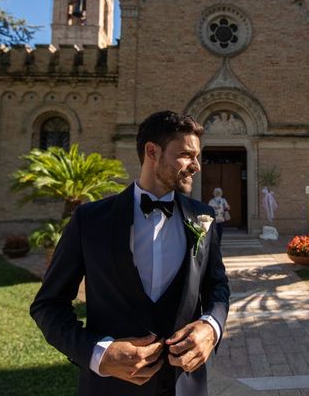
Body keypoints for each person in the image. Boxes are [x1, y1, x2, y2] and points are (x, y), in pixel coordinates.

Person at [30, 110, 230, 396]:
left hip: (185, 387)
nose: (196, 166)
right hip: (109, 389)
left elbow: (217, 287)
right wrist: (98, 354)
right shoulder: (89, 220)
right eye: (187, 155)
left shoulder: (204, 218)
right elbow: (48, 305)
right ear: (152, 152)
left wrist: (211, 327)